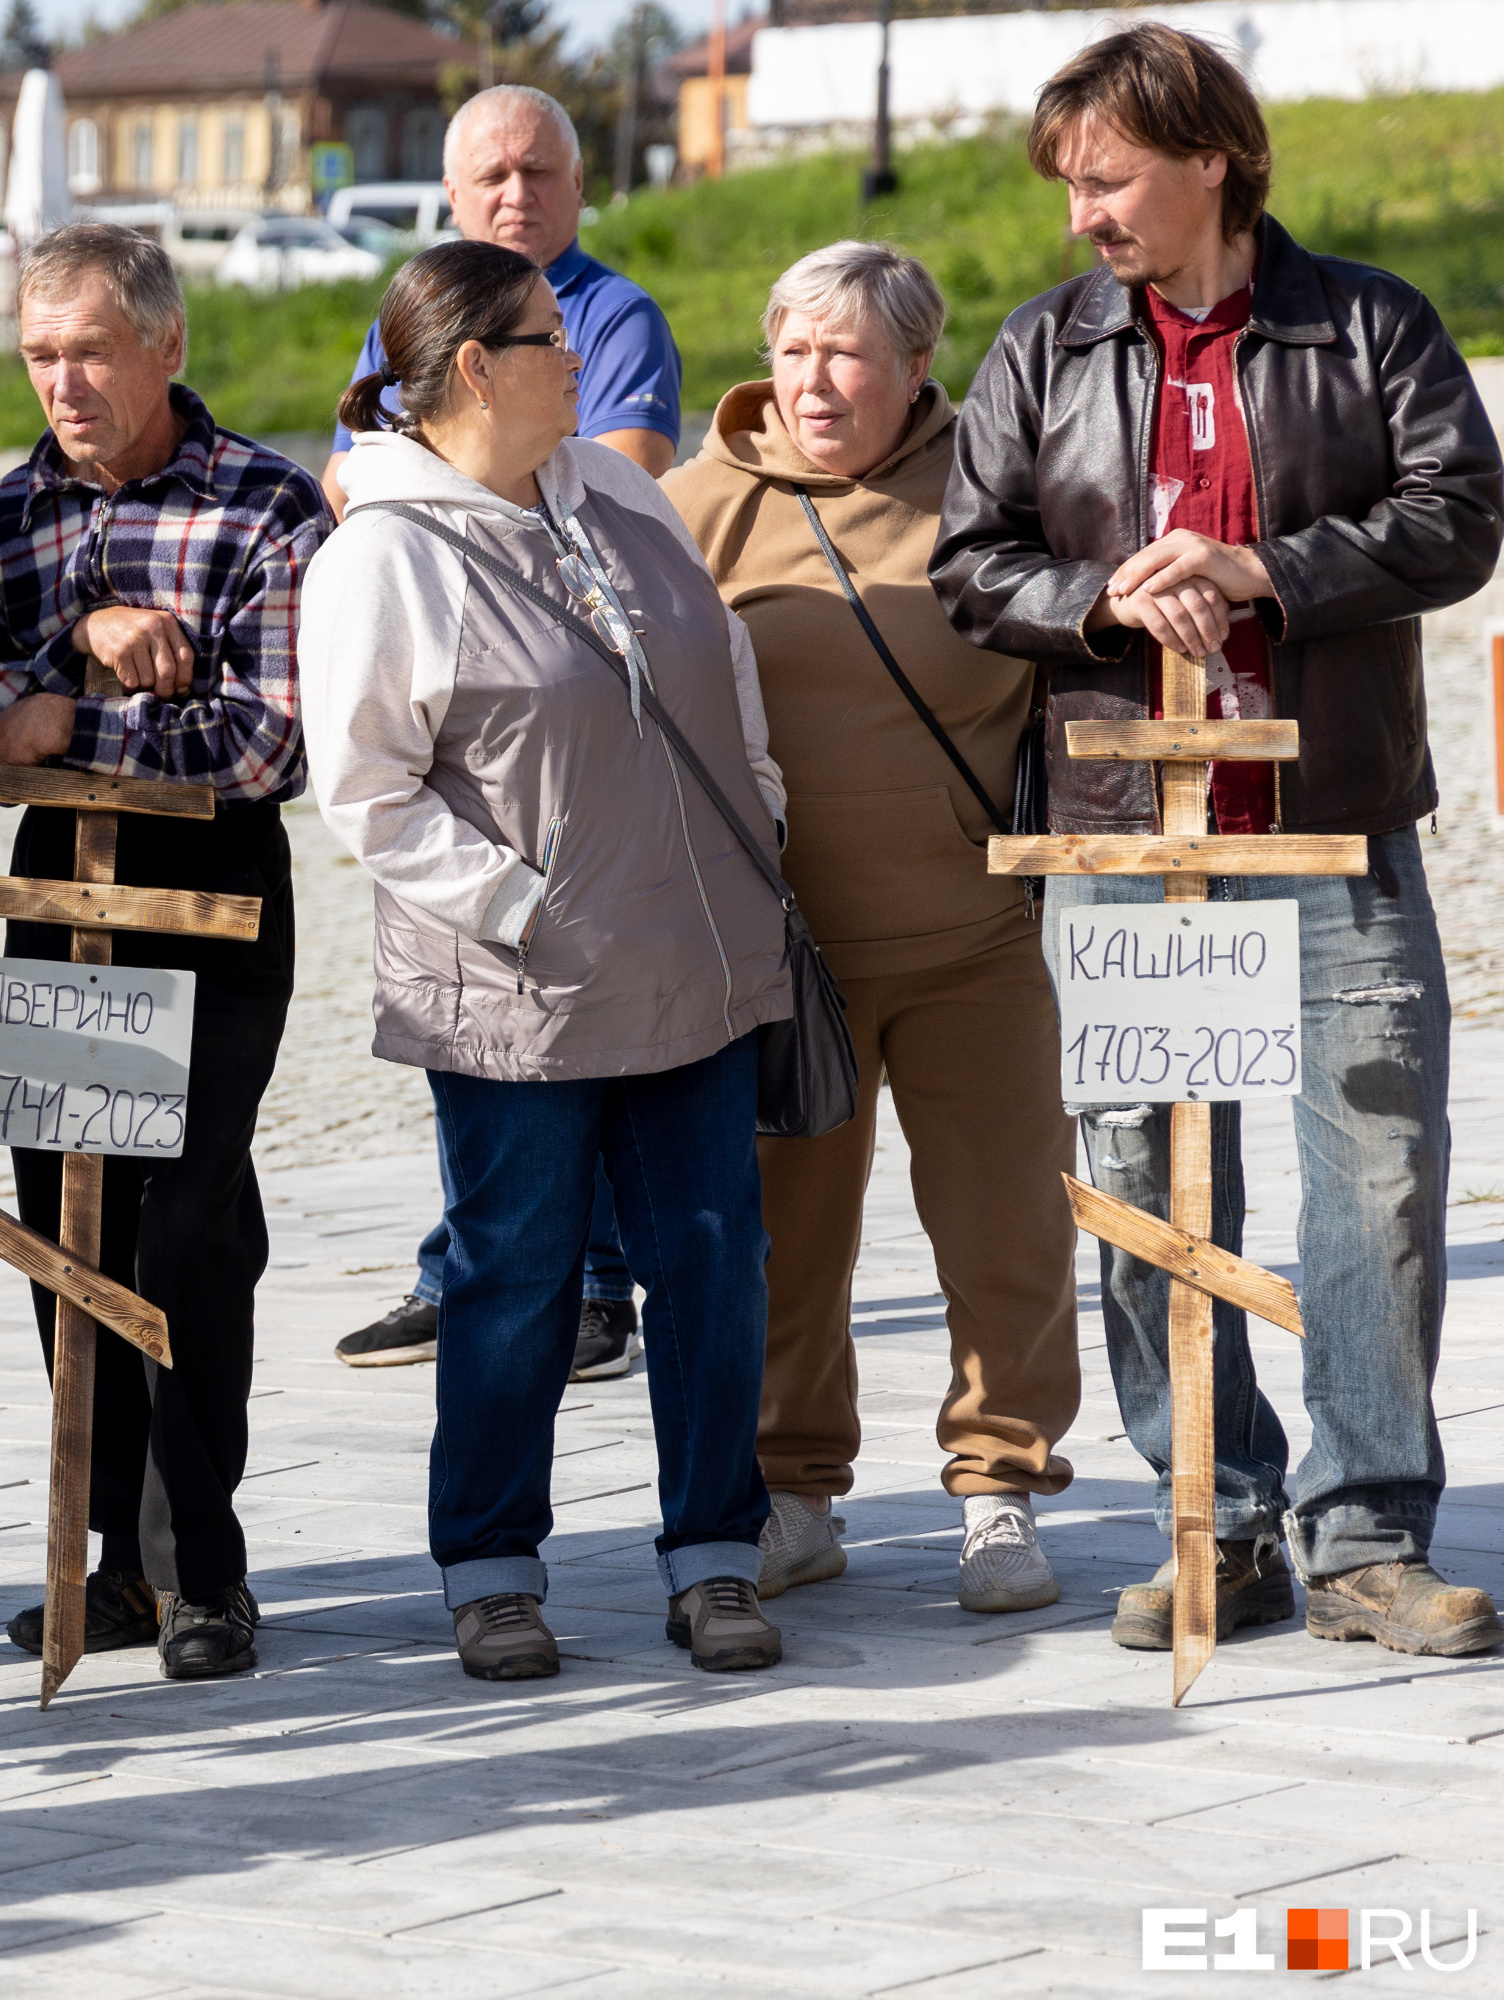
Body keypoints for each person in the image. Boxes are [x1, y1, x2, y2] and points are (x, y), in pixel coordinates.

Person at [936, 24, 1504, 1657]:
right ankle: (1218, 1518)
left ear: (1211, 160)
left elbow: (1459, 513)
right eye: (1069, 186)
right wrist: (1102, 590)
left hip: (1334, 826)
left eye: (1106, 181)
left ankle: (1367, 1535)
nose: (1081, 218)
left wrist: (1265, 570)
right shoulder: (1044, 348)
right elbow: (969, 566)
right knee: (1141, 1183)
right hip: (1125, 842)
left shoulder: (1371, 321)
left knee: (1377, 1183)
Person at [304, 239, 791, 1682]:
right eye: (549, 339)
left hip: (689, 961)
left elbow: (723, 664)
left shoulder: (622, 489)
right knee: (515, 1276)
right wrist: (524, 906)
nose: (581, 358)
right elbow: (368, 791)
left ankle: (715, 1554)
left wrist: (758, 806)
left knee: (712, 1266)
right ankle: (493, 1567)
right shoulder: (381, 555)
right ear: (473, 369)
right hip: (517, 986)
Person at [663, 242, 1078, 1614]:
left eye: (847, 354)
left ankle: (1002, 1489)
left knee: (1005, 1227)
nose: (815, 380)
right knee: (785, 1241)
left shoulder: (996, 490)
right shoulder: (695, 508)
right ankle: (793, 1493)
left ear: (914, 366)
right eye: (793, 349)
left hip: (975, 942)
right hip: (789, 963)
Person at [0, 222, 323, 1679]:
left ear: (165, 344)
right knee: (65, 1236)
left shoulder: (266, 506)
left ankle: (203, 1569)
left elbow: (264, 744)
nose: (64, 381)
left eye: (91, 348)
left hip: (211, 894)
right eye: (41, 354)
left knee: (183, 1230)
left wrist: (73, 717)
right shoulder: (11, 517)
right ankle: (107, 1561)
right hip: (63, 903)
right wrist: (76, 648)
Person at [326, 83, 686, 1379]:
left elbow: (624, 469)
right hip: (454, 704)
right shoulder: (414, 307)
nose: (515, 195)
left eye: (538, 173)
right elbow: (350, 472)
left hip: (583, 707)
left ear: (578, 190)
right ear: (452, 192)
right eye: (490, 177)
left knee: (577, 1008)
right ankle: (467, 1266)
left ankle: (591, 1288)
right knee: (471, 1009)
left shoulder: (613, 315)